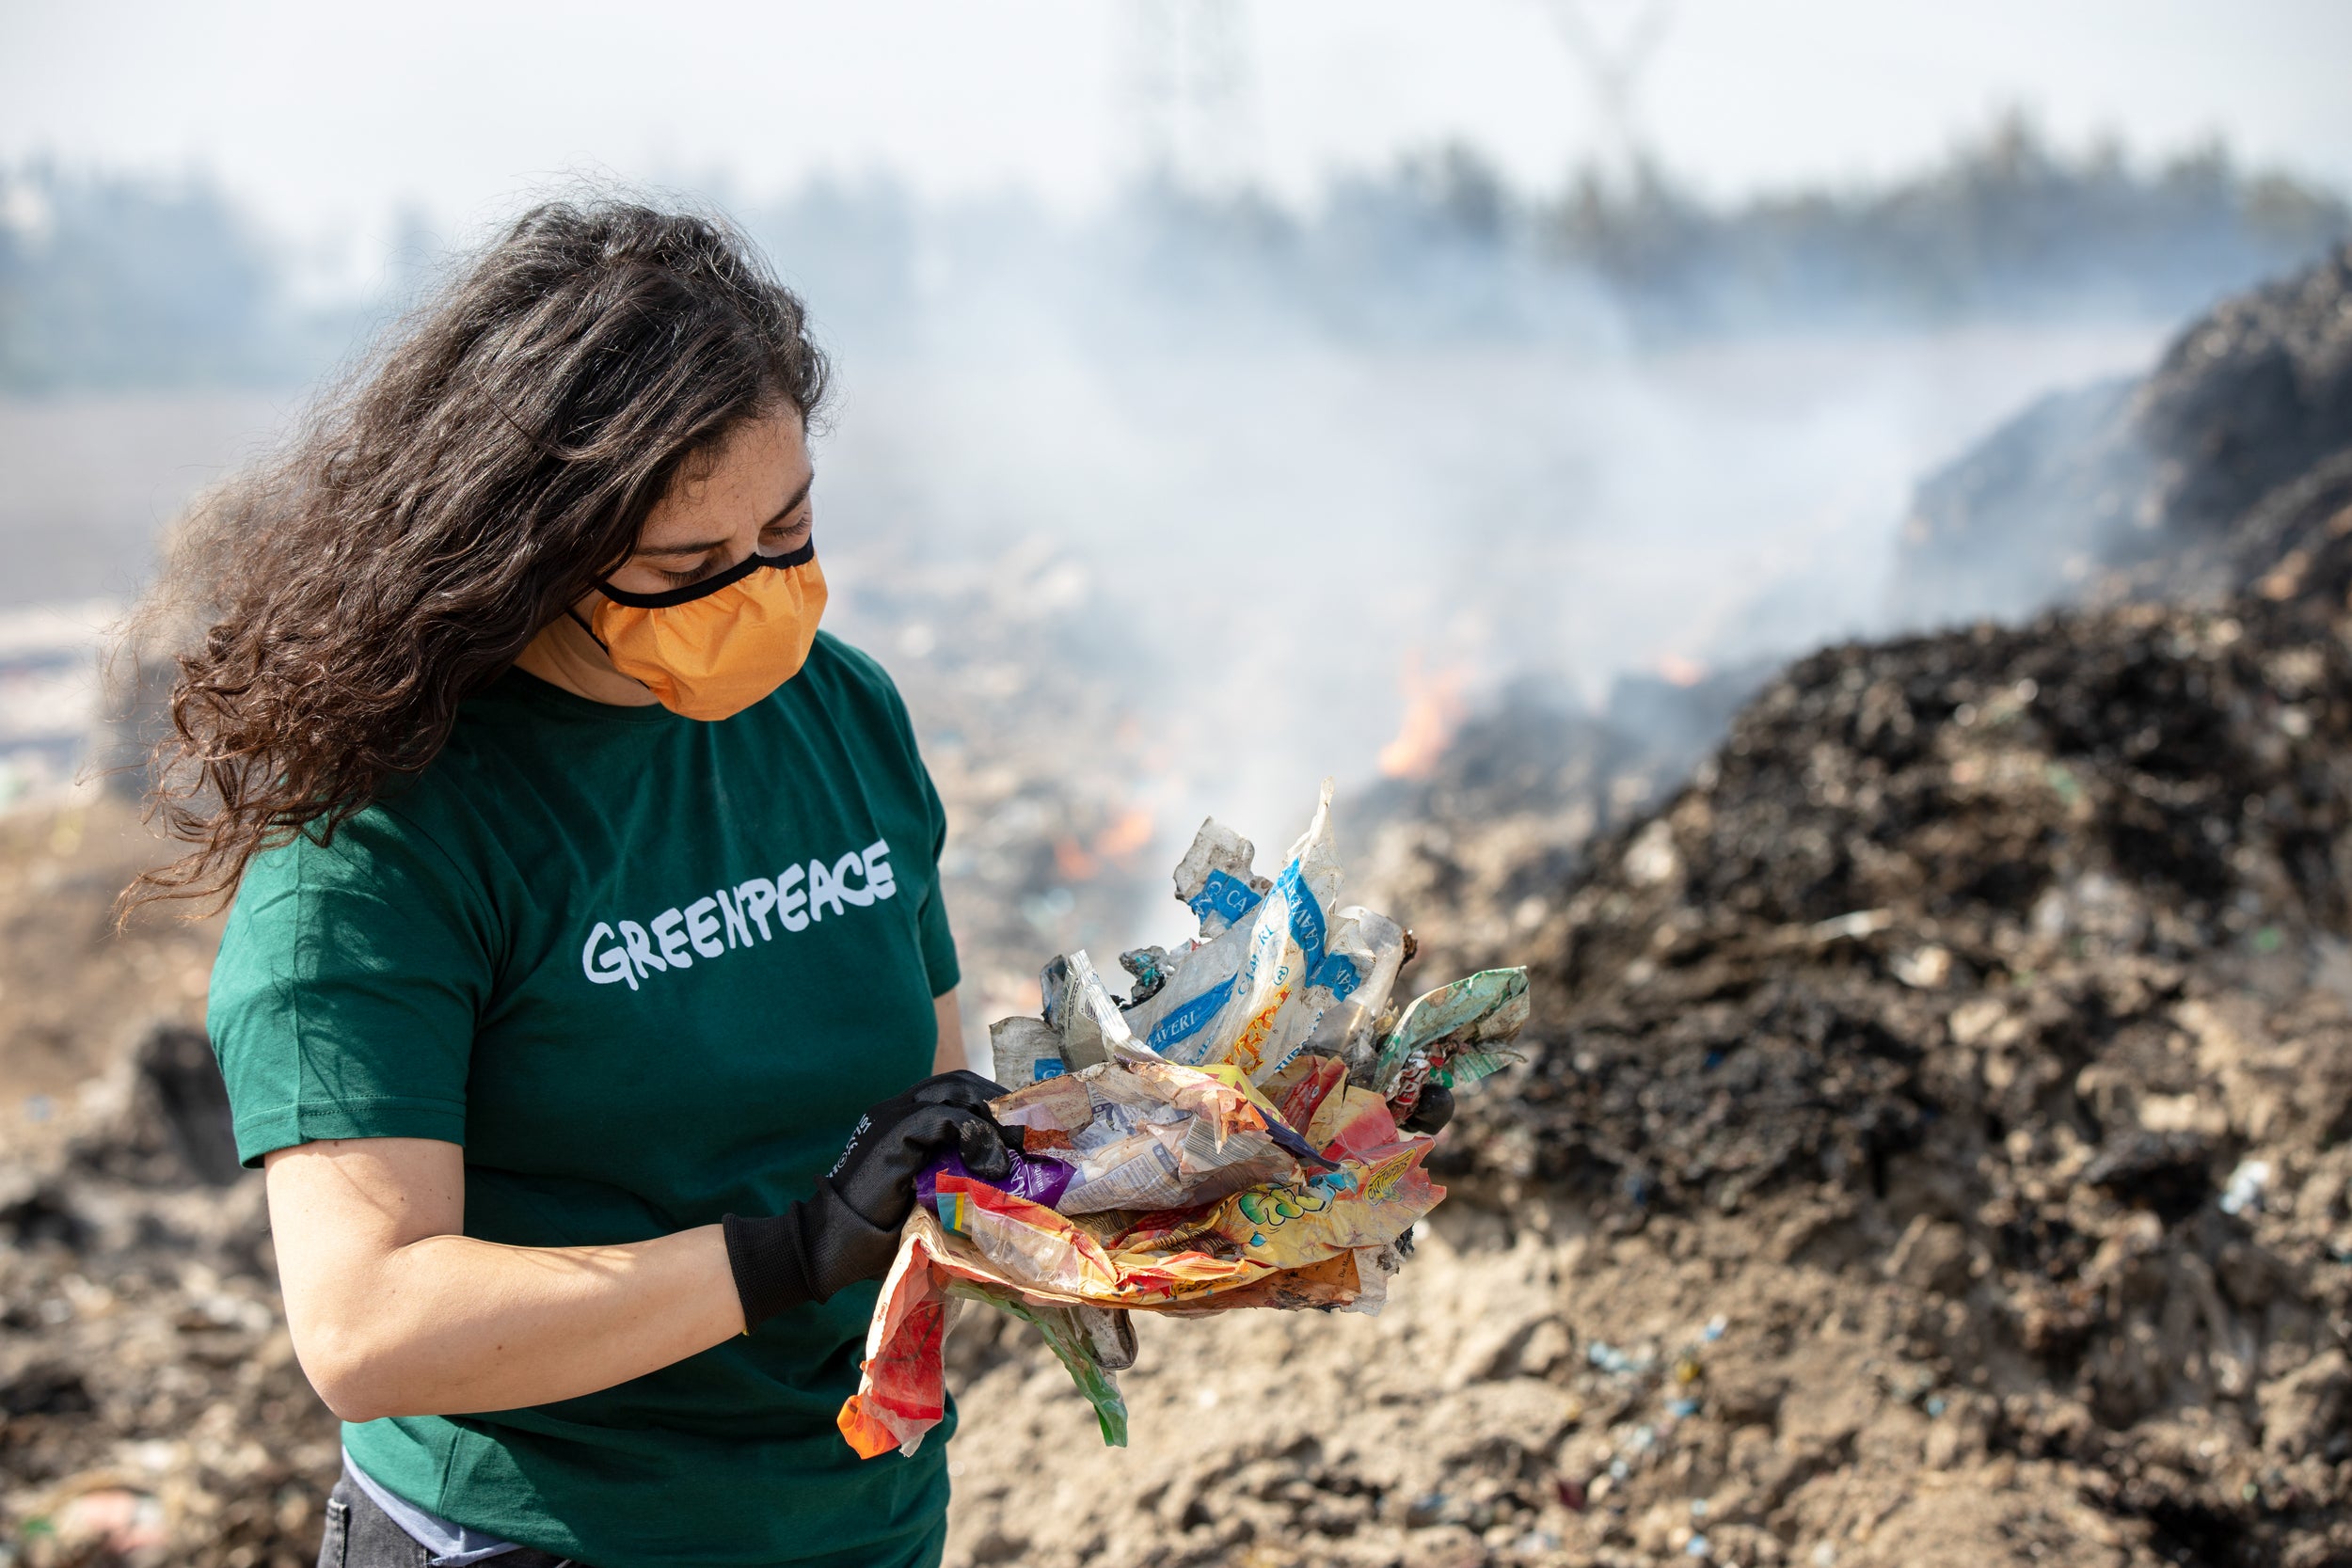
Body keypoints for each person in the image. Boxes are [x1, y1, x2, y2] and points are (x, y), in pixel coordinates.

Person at [136, 200, 1012, 1568]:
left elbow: (927, 1116)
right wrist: (785, 1255)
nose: (766, 597)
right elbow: (368, 1327)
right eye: (690, 568)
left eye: (788, 531)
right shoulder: (378, 851)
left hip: (861, 1522)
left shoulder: (839, 716)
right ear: (527, 554)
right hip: (539, 1542)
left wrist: (1175, 1172)